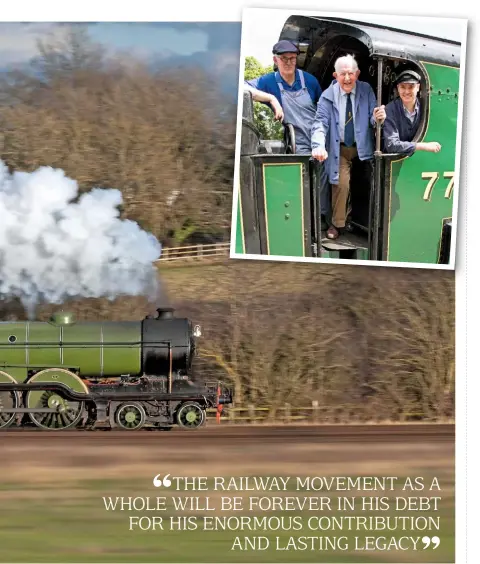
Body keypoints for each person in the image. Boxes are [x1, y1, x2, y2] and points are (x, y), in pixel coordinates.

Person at [311, 54, 386, 240]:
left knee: (367, 183)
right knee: (340, 185)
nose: (347, 78)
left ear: (358, 74)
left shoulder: (366, 90)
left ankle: (365, 224)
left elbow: (371, 117)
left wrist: (378, 118)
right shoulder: (326, 97)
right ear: (335, 76)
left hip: (363, 148)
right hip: (339, 149)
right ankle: (336, 224)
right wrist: (319, 146)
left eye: (350, 73)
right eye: (342, 74)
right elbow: (319, 124)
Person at [244, 39, 322, 155]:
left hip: (320, 143)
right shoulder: (268, 81)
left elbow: (324, 113)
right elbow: (241, 87)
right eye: (284, 58)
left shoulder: (310, 81)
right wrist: (271, 98)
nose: (288, 62)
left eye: (292, 58)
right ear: (275, 60)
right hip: (296, 147)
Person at [383, 69, 442, 155]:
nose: (407, 91)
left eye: (411, 87)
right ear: (398, 88)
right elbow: (391, 145)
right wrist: (421, 146)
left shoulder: (425, 107)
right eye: (403, 87)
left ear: (418, 87)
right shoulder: (389, 109)